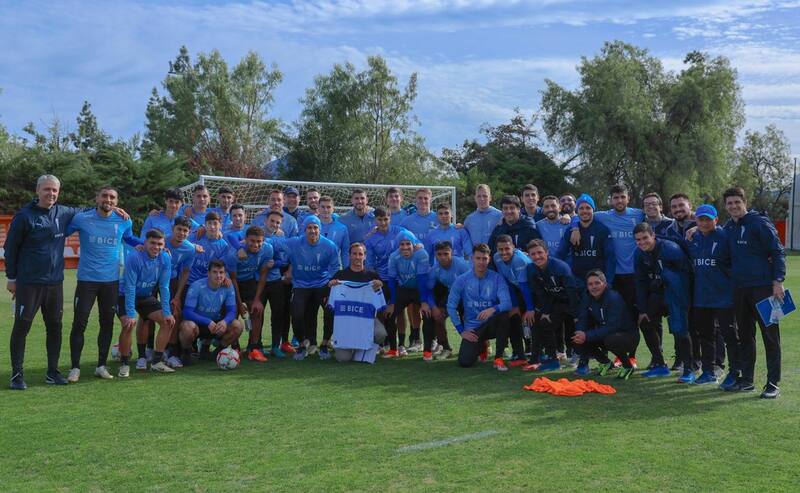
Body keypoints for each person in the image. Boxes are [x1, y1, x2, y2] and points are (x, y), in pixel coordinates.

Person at [6, 175, 92, 389]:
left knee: (55, 327)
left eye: (54, 190)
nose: (51, 193)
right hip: (29, 283)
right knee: (22, 327)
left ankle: (52, 372)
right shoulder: (24, 216)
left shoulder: (63, 212)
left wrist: (115, 209)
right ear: (37, 191)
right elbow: (10, 249)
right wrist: (12, 278)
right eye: (46, 189)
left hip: (55, 283)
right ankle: (17, 375)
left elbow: (90, 210)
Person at [65, 186, 141, 383]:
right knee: (79, 323)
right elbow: (63, 232)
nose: (108, 199)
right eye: (105, 196)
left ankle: (101, 366)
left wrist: (153, 245)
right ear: (97, 198)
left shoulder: (124, 220)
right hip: (86, 281)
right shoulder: (82, 218)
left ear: (117, 201)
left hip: (110, 282)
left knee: (106, 324)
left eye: (112, 197)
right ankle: (75, 367)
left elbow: (130, 238)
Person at [722, 187, 785, 398]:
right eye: (729, 203)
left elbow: (777, 251)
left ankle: (773, 383)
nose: (733, 206)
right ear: (726, 206)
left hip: (764, 288)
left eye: (736, 202)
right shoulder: (728, 227)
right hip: (740, 290)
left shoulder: (759, 222)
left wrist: (778, 281)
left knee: (771, 337)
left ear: (744, 202)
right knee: (745, 336)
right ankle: (747, 380)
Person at [633, 223, 695, 383]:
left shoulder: (670, 249)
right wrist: (642, 309)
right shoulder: (639, 254)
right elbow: (640, 282)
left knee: (679, 328)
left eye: (645, 238)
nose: (642, 242)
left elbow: (686, 275)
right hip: (658, 294)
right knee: (645, 321)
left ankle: (689, 368)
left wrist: (682, 299)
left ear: (653, 235)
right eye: (638, 240)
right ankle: (659, 363)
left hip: (675, 293)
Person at [687, 204, 741, 387]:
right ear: (696, 220)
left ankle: (735, 372)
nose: (704, 223)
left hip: (724, 297)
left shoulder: (725, 236)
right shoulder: (693, 237)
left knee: (730, 336)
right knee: (706, 336)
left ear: (716, 220)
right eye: (701, 219)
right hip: (702, 297)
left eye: (708, 219)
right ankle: (708, 372)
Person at [274, 216, 341, 360]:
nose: (312, 231)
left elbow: (336, 266)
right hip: (300, 285)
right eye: (309, 228)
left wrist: (329, 281)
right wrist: (244, 243)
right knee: (296, 314)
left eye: (315, 227)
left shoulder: (329, 245)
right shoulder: (294, 242)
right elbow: (273, 243)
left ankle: (324, 344)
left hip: (322, 284)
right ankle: (302, 344)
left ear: (320, 229)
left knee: (330, 311)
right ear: (304, 230)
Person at [117, 229, 176, 376]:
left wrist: (167, 312)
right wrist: (131, 314)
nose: (156, 247)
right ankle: (124, 364)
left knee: (168, 321)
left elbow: (164, 287)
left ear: (164, 245)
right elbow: (130, 287)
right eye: (152, 243)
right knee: (128, 324)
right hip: (124, 295)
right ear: (145, 243)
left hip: (145, 296)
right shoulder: (134, 257)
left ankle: (156, 362)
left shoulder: (165, 258)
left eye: (160, 244)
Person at [448, 243, 513, 371]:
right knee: (465, 362)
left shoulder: (497, 278)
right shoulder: (461, 280)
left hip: (491, 325)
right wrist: (462, 331)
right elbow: (451, 307)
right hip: (473, 330)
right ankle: (482, 347)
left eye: (484, 259)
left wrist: (493, 309)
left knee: (504, 316)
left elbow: (507, 303)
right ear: (472, 258)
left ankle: (498, 358)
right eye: (478, 258)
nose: (481, 262)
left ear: (489, 260)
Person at [364, 207, 419, 354]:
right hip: (382, 279)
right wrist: (376, 279)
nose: (383, 223)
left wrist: (418, 246)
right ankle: (383, 343)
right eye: (380, 219)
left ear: (390, 219)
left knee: (399, 311)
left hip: (400, 279)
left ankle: (401, 344)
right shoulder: (371, 238)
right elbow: (369, 264)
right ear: (375, 220)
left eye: (385, 219)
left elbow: (417, 244)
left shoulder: (400, 232)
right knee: (381, 310)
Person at [523, 239, 580, 371]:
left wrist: (577, 315)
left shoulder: (560, 267)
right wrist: (546, 311)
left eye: (540, 253)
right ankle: (552, 360)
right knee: (544, 322)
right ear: (529, 255)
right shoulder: (531, 269)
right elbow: (541, 293)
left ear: (547, 252)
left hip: (574, 300)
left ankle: (580, 356)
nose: (537, 256)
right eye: (533, 254)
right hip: (557, 302)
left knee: (576, 327)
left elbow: (572, 292)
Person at [572, 270, 638, 380]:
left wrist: (587, 335)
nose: (594, 287)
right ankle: (605, 362)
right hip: (606, 333)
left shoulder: (613, 298)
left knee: (610, 339)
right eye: (590, 284)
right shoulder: (587, 297)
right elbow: (582, 318)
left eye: (597, 283)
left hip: (627, 336)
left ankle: (627, 366)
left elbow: (613, 326)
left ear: (605, 284)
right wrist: (580, 333)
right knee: (578, 338)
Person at [328, 243, 387, 363]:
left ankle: (366, 348)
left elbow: (381, 300)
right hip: (346, 322)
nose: (357, 257)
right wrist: (330, 286)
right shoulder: (340, 275)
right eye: (354, 254)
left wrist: (379, 286)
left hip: (366, 319)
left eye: (360, 254)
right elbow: (329, 301)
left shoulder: (372, 276)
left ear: (365, 256)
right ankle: (356, 348)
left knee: (380, 333)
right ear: (349, 255)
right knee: (343, 359)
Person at [178, 260, 243, 364]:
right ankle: (186, 353)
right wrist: (207, 321)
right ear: (208, 273)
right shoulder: (196, 286)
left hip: (216, 324)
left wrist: (225, 322)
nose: (218, 275)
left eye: (221, 272)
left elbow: (232, 311)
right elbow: (187, 312)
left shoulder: (228, 286)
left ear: (225, 274)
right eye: (215, 272)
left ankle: (217, 353)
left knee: (238, 325)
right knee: (187, 327)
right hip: (198, 324)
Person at [225, 225, 274, 363]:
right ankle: (235, 348)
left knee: (257, 310)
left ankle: (253, 348)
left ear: (263, 241)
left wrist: (257, 299)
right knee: (233, 312)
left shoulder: (268, 249)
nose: (255, 244)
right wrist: (239, 303)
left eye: (259, 241)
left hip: (250, 281)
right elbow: (233, 279)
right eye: (252, 241)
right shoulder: (234, 254)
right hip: (233, 283)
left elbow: (263, 274)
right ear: (245, 239)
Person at [385, 232, 433, 359]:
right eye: (402, 244)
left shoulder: (421, 254)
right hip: (404, 289)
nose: (405, 247)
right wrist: (392, 303)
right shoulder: (394, 257)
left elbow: (422, 279)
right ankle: (394, 349)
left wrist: (424, 302)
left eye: (408, 244)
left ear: (414, 244)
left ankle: (427, 350)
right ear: (398, 245)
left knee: (428, 314)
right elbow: (391, 280)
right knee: (389, 314)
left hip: (420, 289)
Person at [556, 194, 616, 287]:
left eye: (588, 208)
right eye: (581, 208)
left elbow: (610, 257)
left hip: (598, 281)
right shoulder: (571, 230)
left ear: (593, 210)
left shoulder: (602, 230)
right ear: (577, 210)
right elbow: (560, 254)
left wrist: (608, 281)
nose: (584, 211)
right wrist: (565, 276)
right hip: (577, 282)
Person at [162, 217, 198, 368]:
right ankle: (149, 350)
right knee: (148, 316)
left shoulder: (189, 249)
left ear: (189, 233)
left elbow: (185, 272)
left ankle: (172, 350)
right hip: (153, 279)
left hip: (172, 281)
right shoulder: (162, 241)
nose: (181, 233)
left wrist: (177, 296)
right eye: (179, 229)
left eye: (185, 231)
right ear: (173, 229)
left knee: (175, 312)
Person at [425, 241, 470, 361]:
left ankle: (481, 345)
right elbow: (428, 290)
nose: (443, 257)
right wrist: (434, 307)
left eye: (446, 254)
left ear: (452, 253)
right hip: (451, 296)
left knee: (469, 319)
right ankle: (446, 348)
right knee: (438, 316)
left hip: (466, 296)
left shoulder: (461, 265)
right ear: (435, 255)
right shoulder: (435, 269)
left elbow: (473, 283)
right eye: (439, 254)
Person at [492, 235, 531, 366]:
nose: (504, 252)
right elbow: (506, 282)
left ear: (513, 247)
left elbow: (525, 287)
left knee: (529, 319)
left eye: (507, 249)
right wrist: (514, 305)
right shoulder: (496, 257)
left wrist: (529, 308)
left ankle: (534, 350)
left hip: (532, 289)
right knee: (513, 317)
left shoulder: (519, 260)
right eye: (500, 249)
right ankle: (518, 353)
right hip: (516, 289)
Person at [318, 195, 350, 269]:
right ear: (318, 208)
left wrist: (346, 270)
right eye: (323, 207)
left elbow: (345, 252)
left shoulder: (342, 228)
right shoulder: (311, 226)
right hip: (314, 268)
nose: (325, 210)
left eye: (328, 207)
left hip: (334, 268)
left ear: (333, 209)